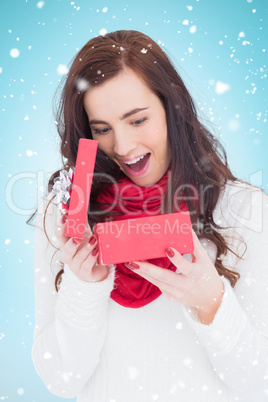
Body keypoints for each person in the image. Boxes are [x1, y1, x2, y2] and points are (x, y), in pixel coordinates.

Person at [31, 30, 268, 401]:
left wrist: (212, 303)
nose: (122, 146)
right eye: (102, 129)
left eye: (137, 120)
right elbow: (61, 380)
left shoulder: (242, 209)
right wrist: (84, 288)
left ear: (173, 110)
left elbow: (260, 383)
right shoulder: (63, 221)